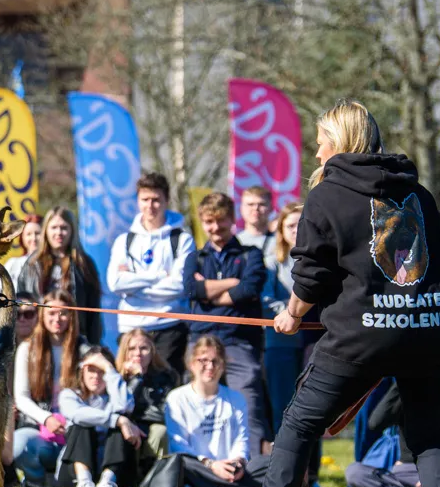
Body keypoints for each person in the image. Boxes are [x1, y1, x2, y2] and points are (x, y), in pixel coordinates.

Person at [242, 100, 440, 487]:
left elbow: (311, 273)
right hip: (429, 330)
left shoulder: (328, 195)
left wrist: (292, 314)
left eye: (321, 142)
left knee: (300, 421)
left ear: (341, 142)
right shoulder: (418, 193)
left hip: (361, 336)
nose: (316, 153)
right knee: (429, 434)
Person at [184, 192, 268, 457]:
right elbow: (191, 289)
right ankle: (202, 466)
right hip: (200, 341)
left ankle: (254, 469)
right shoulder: (195, 257)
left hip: (239, 342)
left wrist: (208, 293)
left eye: (221, 220)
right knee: (197, 406)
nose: (215, 227)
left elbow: (249, 289)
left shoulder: (251, 255)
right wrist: (231, 284)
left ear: (232, 219)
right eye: (209, 222)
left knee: (248, 407)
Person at [107, 172, 195, 376]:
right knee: (132, 384)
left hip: (169, 326)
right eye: (145, 199)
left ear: (166, 200)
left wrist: (134, 286)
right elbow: (115, 283)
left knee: (167, 385)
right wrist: (159, 276)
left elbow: (179, 286)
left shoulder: (182, 239)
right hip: (130, 326)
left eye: (156, 200)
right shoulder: (123, 241)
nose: (150, 206)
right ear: (138, 201)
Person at [165, 335, 267, 487]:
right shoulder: (176, 398)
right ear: (191, 364)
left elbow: (241, 439)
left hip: (229, 467)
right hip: (200, 466)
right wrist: (211, 464)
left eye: (216, 361)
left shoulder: (236, 398)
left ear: (223, 365)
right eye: (203, 360)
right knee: (181, 461)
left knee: (268, 462)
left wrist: (237, 462)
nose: (210, 366)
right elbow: (179, 445)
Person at [12, 290, 86, 487]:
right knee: (18, 445)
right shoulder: (27, 349)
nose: (57, 319)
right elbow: (21, 397)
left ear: (71, 316)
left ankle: (64, 483)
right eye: (51, 313)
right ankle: (37, 484)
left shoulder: (82, 348)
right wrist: (46, 418)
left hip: (74, 428)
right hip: (39, 428)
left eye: (63, 313)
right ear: (42, 316)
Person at [55, 347, 137, 487]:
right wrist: (117, 420)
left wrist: (110, 369)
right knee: (82, 425)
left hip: (112, 466)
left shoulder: (118, 393)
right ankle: (84, 483)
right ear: (82, 372)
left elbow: (123, 406)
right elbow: (77, 414)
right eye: (91, 370)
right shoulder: (69, 395)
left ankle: (107, 482)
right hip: (75, 468)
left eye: (101, 371)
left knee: (121, 424)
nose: (96, 376)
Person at [18, 207, 103, 345]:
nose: (59, 232)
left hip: (74, 338)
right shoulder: (32, 264)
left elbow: (93, 311)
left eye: (64, 228)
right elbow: (22, 301)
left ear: (72, 230)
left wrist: (93, 344)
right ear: (46, 230)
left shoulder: (84, 264)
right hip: (38, 337)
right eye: (54, 227)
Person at [262, 203, 305, 436]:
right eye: (290, 226)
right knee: (283, 406)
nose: (296, 230)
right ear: (280, 230)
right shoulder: (272, 261)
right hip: (280, 341)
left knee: (311, 407)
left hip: (313, 342)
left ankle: (312, 459)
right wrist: (294, 312)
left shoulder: (322, 260)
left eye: (301, 224)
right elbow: (266, 299)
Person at [117, 328, 178, 473]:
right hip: (126, 426)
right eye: (132, 348)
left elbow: (163, 413)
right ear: (124, 351)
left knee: (160, 432)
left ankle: (152, 477)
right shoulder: (116, 377)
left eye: (144, 348)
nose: (138, 353)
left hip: (152, 427)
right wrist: (137, 378)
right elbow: (122, 407)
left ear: (152, 351)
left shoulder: (166, 377)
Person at [237, 185, 276, 264]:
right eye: (250, 204)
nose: (255, 208)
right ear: (241, 208)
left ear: (271, 208)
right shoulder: (234, 243)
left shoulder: (281, 243)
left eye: (261, 204)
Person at [2, 215, 43, 291]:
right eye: (28, 234)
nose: (33, 238)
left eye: (37, 233)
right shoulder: (12, 264)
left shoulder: (51, 264)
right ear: (22, 237)